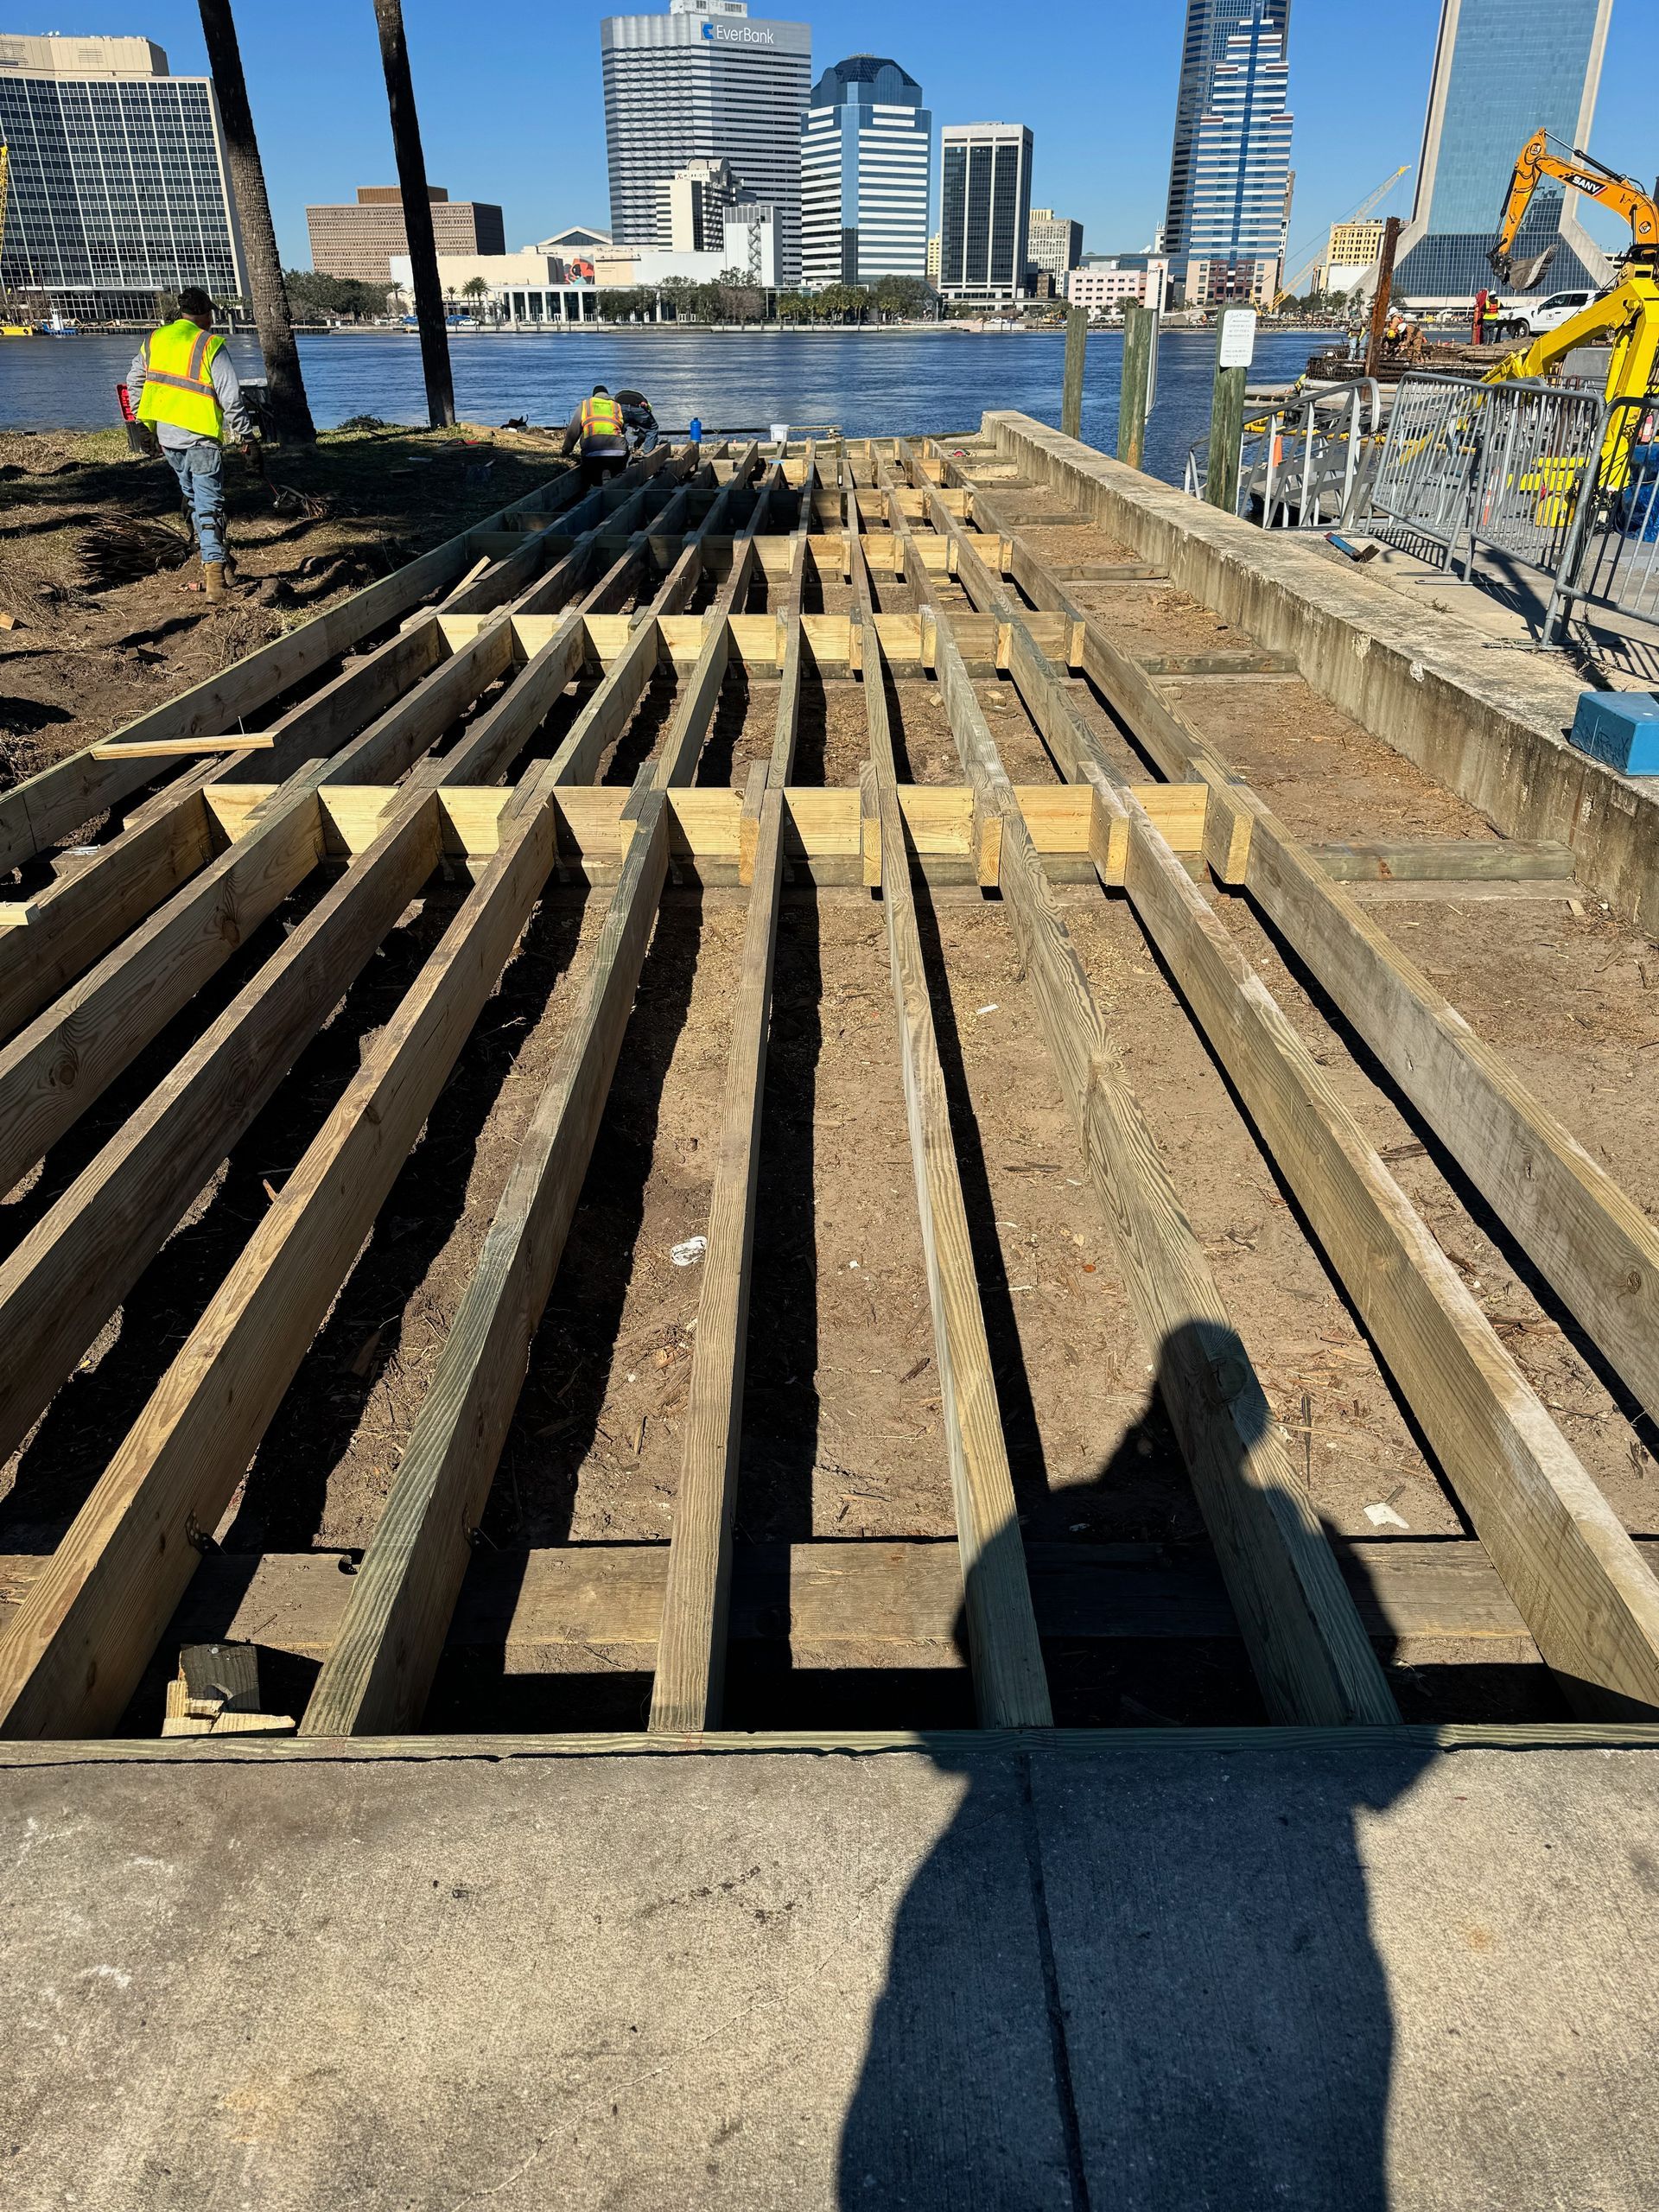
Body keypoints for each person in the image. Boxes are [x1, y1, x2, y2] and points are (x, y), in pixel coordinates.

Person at [127, 286, 256, 604]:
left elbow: (134, 382)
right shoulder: (211, 344)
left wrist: (145, 426)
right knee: (208, 506)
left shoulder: (155, 340)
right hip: (201, 439)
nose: (212, 318)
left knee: (197, 503)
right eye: (210, 313)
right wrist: (248, 438)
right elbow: (231, 398)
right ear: (204, 314)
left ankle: (223, 564)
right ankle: (214, 580)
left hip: (169, 440)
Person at [560, 383, 629, 488]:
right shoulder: (617, 406)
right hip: (618, 452)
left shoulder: (585, 405)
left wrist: (566, 451)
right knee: (617, 479)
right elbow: (623, 429)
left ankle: (595, 488)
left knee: (594, 481)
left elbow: (573, 432)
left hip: (592, 452)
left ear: (594, 395)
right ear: (607, 395)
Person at [613, 386, 659, 454]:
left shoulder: (618, 396)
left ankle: (621, 451)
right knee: (652, 429)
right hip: (638, 407)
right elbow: (648, 410)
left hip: (620, 406)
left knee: (619, 430)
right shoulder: (643, 399)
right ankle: (648, 454)